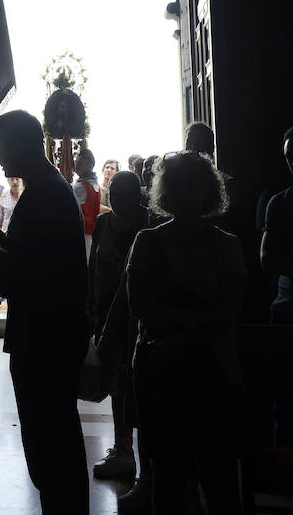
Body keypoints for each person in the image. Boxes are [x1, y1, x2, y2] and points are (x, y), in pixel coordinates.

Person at [0, 110, 89, 513]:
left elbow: (25, 269)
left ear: (18, 144)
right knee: (51, 438)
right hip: (46, 332)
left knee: (50, 441)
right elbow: (20, 250)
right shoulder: (46, 187)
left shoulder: (46, 194)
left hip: (45, 336)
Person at [127, 151, 246, 515]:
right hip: (206, 366)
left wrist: (177, 332)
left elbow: (144, 307)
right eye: (181, 187)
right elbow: (224, 312)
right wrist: (195, 329)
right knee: (205, 475)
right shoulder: (226, 245)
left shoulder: (148, 243)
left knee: (177, 475)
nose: (186, 194)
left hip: (166, 366)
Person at [88, 171, 148, 482]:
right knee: (116, 383)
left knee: (135, 383)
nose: (120, 200)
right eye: (115, 194)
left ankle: (139, 453)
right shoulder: (103, 223)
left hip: (137, 316)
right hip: (105, 311)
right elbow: (93, 267)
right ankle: (123, 447)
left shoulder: (148, 225)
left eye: (127, 194)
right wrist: (89, 305)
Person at [260, 125, 293, 444]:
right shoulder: (279, 202)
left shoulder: (280, 204)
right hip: (286, 309)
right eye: (289, 156)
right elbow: (266, 258)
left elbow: (270, 257)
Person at [72, 148, 100, 259]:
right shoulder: (95, 185)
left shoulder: (80, 186)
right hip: (90, 232)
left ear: (90, 166)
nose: (76, 166)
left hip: (80, 231)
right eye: (76, 163)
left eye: (79, 164)